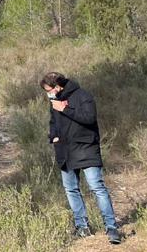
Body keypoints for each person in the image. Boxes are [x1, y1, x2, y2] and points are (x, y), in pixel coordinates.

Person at [41, 72, 122, 244]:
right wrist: (53, 136)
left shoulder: (83, 96)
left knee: (97, 187)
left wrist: (65, 109)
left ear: (57, 86)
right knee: (71, 189)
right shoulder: (54, 102)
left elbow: (89, 118)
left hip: (86, 148)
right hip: (65, 150)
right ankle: (82, 227)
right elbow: (53, 123)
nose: (48, 93)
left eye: (49, 90)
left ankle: (111, 227)